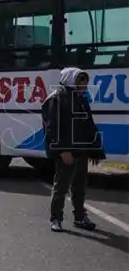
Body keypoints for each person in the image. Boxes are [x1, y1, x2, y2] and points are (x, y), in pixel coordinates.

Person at [42, 67, 103, 232]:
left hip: (81, 149)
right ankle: (56, 218)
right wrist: (63, 150)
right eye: (80, 80)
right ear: (71, 80)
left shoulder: (81, 99)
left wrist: (95, 149)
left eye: (85, 81)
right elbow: (52, 128)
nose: (84, 84)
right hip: (66, 151)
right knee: (61, 186)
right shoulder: (56, 99)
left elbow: (88, 125)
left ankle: (80, 217)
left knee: (79, 186)